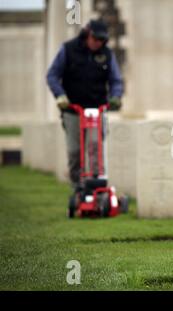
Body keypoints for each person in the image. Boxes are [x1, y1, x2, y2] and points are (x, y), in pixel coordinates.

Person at [46, 19, 123, 190]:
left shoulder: (107, 54)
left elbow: (116, 80)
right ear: (88, 34)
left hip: (97, 109)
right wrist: (60, 95)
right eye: (96, 39)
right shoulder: (68, 50)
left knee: (95, 148)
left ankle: (96, 187)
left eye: (102, 40)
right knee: (75, 152)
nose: (98, 43)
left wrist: (115, 96)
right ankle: (77, 186)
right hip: (73, 109)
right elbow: (52, 75)